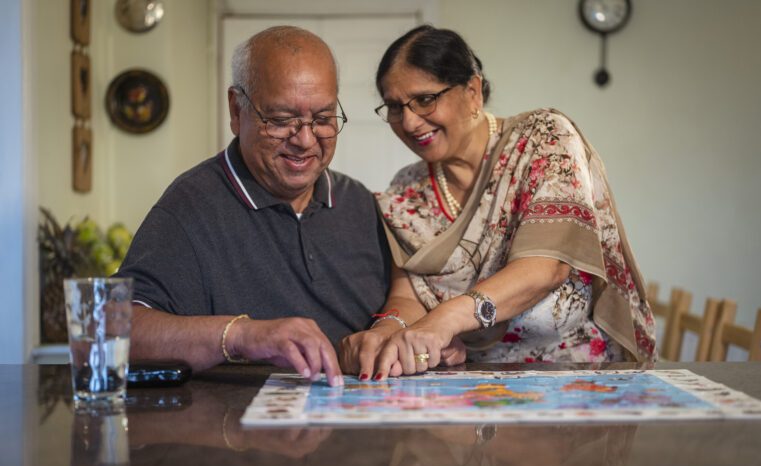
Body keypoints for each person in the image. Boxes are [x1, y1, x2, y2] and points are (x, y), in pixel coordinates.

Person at [339, 25, 656, 380]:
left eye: (425, 99)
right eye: (395, 107)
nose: (409, 122)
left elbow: (545, 268)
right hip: (471, 389)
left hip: (577, 382)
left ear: (472, 92)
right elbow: (408, 297)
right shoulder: (405, 193)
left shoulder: (542, 141)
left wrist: (444, 320)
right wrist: (385, 334)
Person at [116, 26, 391, 387]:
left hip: (358, 414)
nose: (305, 140)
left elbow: (405, 300)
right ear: (236, 109)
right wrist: (241, 335)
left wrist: (396, 331)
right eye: (280, 120)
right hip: (235, 420)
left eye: (323, 119)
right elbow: (116, 330)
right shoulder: (191, 205)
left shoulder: (359, 203)